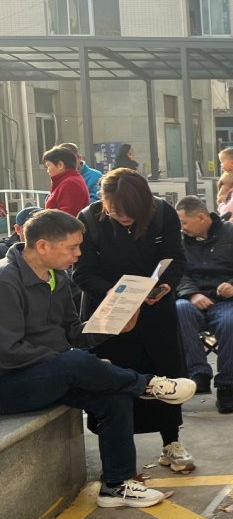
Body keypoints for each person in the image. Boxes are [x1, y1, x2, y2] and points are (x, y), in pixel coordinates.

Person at [0, 210, 192, 509]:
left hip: (48, 373)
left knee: (113, 395)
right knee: (77, 362)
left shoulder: (57, 277)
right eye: (72, 247)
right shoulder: (6, 280)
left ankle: (116, 485)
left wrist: (110, 328)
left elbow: (72, 333)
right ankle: (147, 385)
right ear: (42, 246)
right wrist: (69, 364)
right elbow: (8, 350)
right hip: (10, 383)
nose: (78, 255)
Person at [75, 169, 197, 474]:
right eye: (116, 212)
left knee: (165, 374)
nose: (124, 217)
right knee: (114, 380)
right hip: (111, 311)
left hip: (156, 310)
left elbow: (175, 258)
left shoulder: (163, 213)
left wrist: (165, 286)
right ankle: (116, 456)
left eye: (131, 212)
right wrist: (114, 294)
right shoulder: (89, 219)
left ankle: (171, 442)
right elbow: (83, 272)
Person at [174, 196, 233, 415]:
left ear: (201, 218)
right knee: (179, 309)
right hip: (194, 299)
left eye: (184, 222)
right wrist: (192, 294)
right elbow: (177, 273)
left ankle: (226, 387)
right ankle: (199, 373)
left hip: (229, 300)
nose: (182, 228)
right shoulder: (180, 242)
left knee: (231, 322)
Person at [43, 147, 90, 217]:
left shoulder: (70, 184)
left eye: (48, 166)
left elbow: (68, 217)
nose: (47, 171)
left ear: (60, 165)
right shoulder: (69, 180)